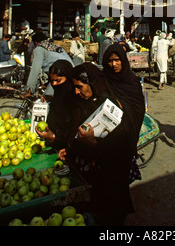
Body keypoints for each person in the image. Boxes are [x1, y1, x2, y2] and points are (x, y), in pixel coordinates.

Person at [59, 49, 145, 226]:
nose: (114, 65)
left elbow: (121, 138)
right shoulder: (94, 96)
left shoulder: (109, 104)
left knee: (112, 207)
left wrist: (93, 142)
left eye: (117, 60)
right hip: (100, 168)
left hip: (115, 164)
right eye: (110, 61)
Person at [35, 60, 77, 150]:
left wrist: (53, 136)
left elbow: (71, 132)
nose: (54, 84)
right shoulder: (58, 97)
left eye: (58, 81)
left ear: (68, 78)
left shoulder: (74, 100)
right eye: (52, 81)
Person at [23, 32, 73, 98]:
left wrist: (29, 91)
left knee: (46, 99)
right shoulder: (54, 46)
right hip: (71, 73)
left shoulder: (39, 49)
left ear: (35, 42)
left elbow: (35, 71)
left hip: (60, 76)